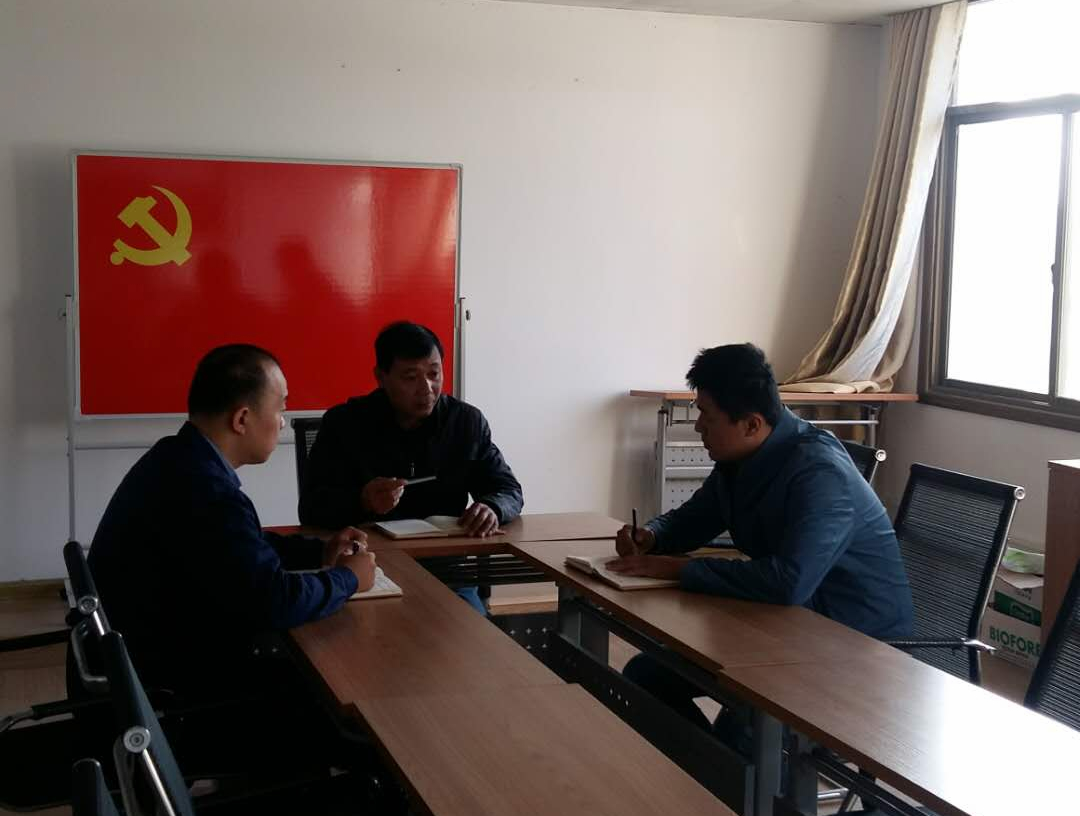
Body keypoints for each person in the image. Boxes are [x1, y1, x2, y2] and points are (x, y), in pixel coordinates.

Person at [608, 343, 912, 738]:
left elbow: (789, 582)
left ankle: (719, 773)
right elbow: (693, 519)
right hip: (785, 628)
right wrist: (651, 536)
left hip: (856, 647)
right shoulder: (740, 457)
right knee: (646, 677)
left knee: (743, 730)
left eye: (707, 416)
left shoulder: (820, 473)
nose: (698, 427)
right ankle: (705, 771)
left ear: (751, 424)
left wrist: (678, 569)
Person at [87, 343, 375, 698]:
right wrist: (349, 579)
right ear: (241, 420)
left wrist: (318, 552)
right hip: (172, 679)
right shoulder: (208, 492)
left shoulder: (176, 457)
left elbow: (242, 548)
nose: (282, 422)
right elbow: (274, 601)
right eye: (281, 408)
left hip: (142, 652)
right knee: (337, 677)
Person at [298, 321, 523, 614]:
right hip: (367, 566)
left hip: (445, 570)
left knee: (471, 633)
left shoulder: (465, 423)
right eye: (410, 377)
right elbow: (312, 508)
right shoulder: (345, 424)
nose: (426, 388)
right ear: (381, 377)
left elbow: (508, 489)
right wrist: (362, 501)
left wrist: (493, 507)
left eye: (434, 374)